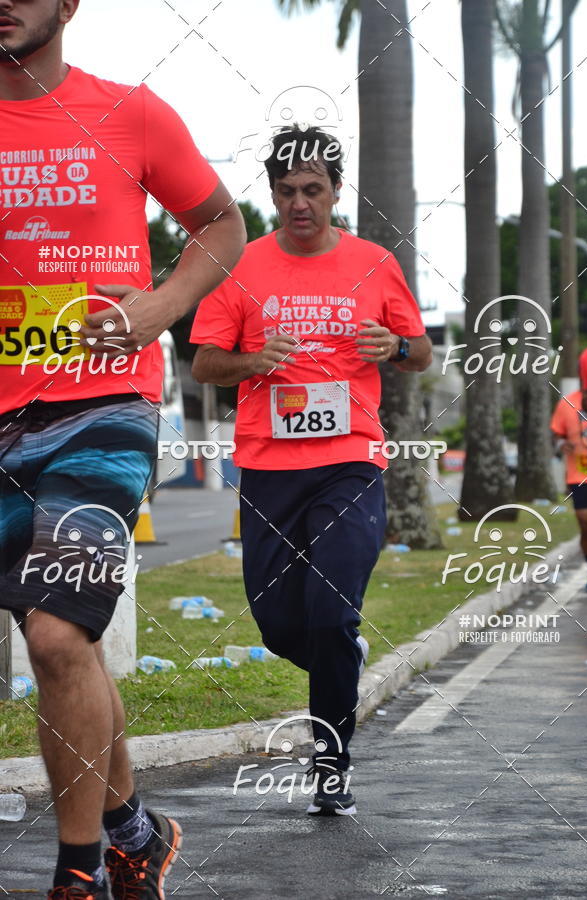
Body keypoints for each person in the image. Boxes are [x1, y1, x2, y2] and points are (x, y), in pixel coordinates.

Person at [0, 1, 245, 897]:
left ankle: (79, 875)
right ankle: (137, 833)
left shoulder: (130, 113)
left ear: (68, 4)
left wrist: (159, 307)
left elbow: (222, 224)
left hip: (105, 402)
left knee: (60, 630)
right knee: (60, 643)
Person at [190, 125, 432, 816]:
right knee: (276, 627)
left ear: (335, 192)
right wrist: (252, 360)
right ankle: (340, 665)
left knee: (331, 611)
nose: (301, 203)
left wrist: (397, 344)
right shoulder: (240, 265)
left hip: (350, 462)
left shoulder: (373, 261)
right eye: (287, 190)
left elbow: (420, 353)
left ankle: (331, 760)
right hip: (268, 467)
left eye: (313, 190)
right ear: (272, 194)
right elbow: (204, 361)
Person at [550, 390, 587, 592]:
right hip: (580, 473)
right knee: (585, 521)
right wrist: (562, 444)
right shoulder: (568, 403)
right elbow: (556, 435)